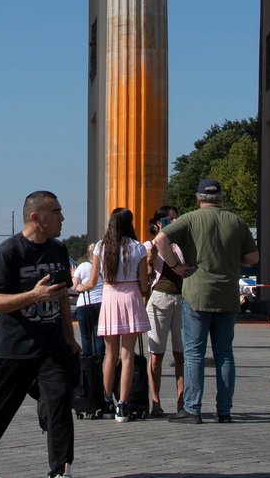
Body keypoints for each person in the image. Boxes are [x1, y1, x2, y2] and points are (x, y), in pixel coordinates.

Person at [0, 190, 78, 478]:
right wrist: (33, 295)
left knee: (60, 400)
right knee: (3, 406)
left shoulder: (58, 250)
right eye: (56, 212)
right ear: (36, 217)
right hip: (16, 347)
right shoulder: (9, 251)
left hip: (52, 344)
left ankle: (60, 470)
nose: (62, 217)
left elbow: (63, 295)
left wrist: (70, 337)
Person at [157, 178, 259, 423]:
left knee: (194, 353)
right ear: (220, 198)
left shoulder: (190, 219)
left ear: (198, 198)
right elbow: (253, 257)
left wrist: (176, 266)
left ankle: (192, 408)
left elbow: (161, 239)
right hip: (227, 295)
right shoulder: (236, 221)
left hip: (197, 293)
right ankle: (224, 410)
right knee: (225, 354)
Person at [91, 206, 150, 421]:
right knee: (128, 357)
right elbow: (144, 285)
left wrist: (79, 287)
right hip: (131, 298)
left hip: (109, 296)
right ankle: (123, 405)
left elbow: (93, 279)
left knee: (110, 355)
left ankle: (107, 400)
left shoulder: (101, 247)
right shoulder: (138, 248)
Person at [144, 207, 185, 415]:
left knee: (181, 354)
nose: (173, 222)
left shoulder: (183, 244)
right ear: (157, 223)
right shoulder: (150, 245)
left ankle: (181, 401)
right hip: (160, 298)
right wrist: (154, 251)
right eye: (168, 219)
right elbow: (148, 272)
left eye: (175, 218)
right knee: (156, 355)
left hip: (181, 299)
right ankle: (155, 401)